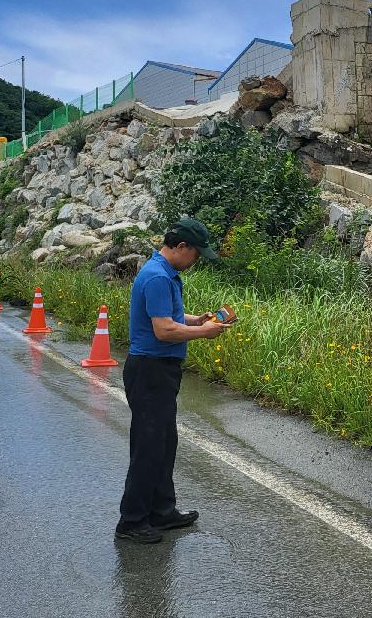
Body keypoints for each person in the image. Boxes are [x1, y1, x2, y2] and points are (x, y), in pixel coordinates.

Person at [115, 218, 226, 544]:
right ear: (181, 247)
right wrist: (204, 333)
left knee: (164, 443)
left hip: (160, 371)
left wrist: (197, 319)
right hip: (150, 369)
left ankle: (162, 511)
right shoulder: (157, 277)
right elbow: (164, 331)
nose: (195, 261)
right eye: (196, 254)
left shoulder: (165, 275)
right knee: (148, 447)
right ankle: (132, 521)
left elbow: (169, 319)